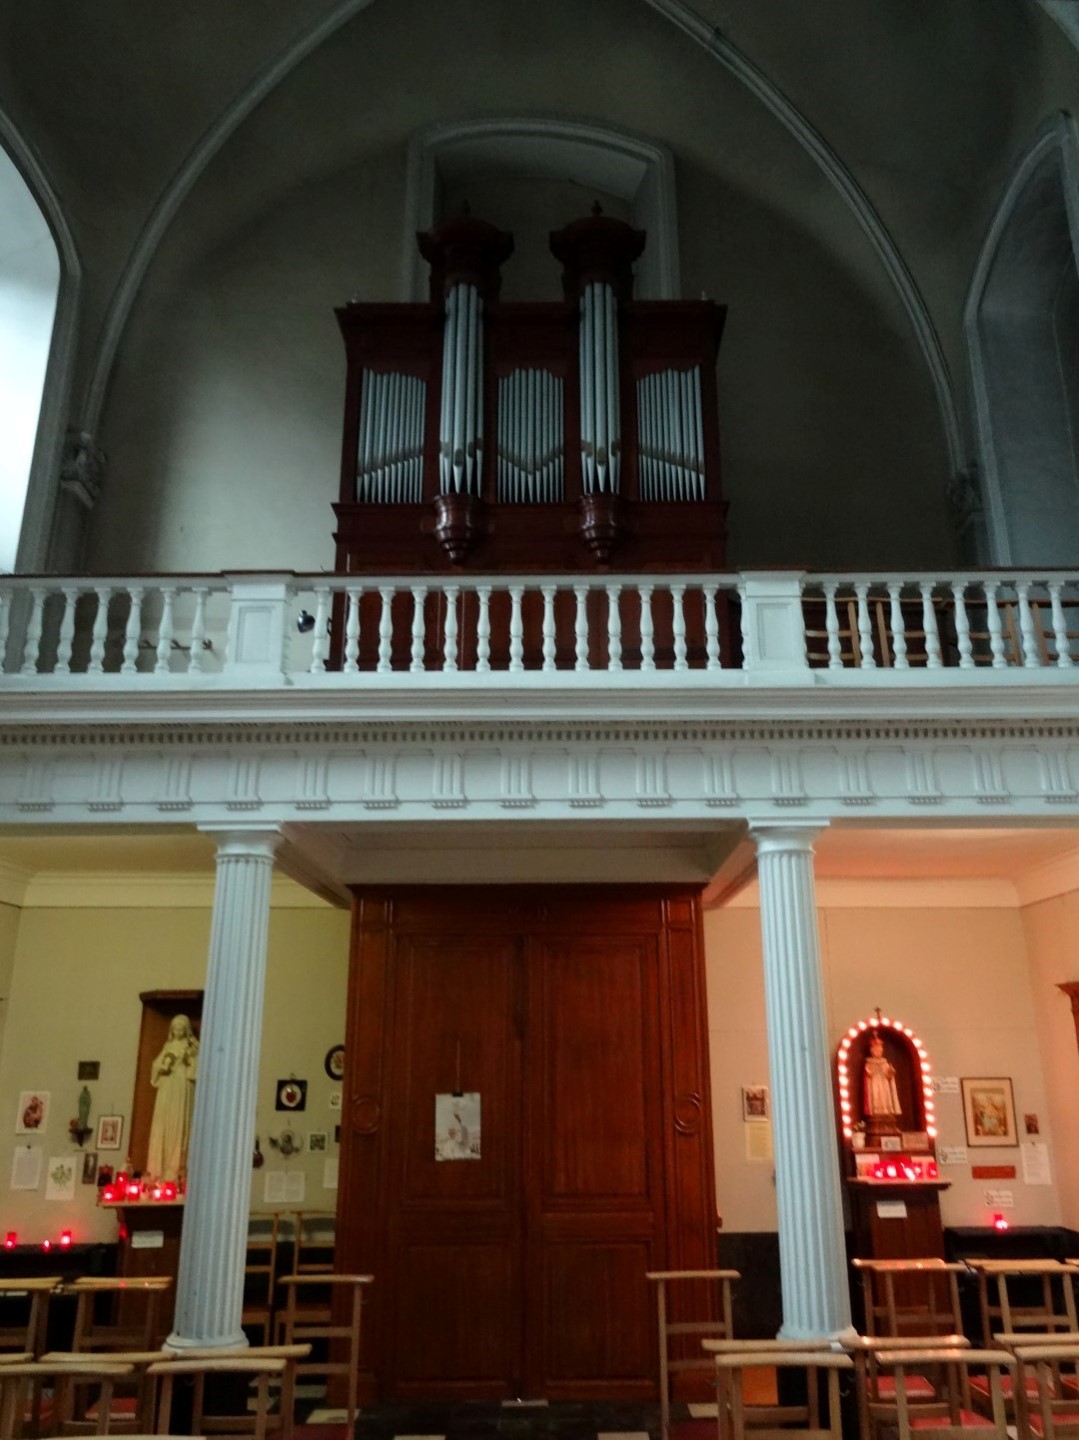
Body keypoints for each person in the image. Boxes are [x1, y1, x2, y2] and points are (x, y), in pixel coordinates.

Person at [147, 1015, 199, 1181]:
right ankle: (159, 1169)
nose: (177, 1031)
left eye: (181, 1028)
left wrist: (190, 1058)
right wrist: (161, 1067)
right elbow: (156, 1064)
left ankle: (176, 1169)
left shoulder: (192, 1045)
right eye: (175, 1027)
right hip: (167, 1086)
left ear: (186, 1029)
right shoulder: (168, 1045)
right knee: (163, 1123)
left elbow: (197, 1069)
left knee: (179, 1123)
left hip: (182, 1085)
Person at [862, 1033, 901, 1118]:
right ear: (872, 1051)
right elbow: (868, 1074)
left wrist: (891, 1072)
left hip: (884, 1084)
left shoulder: (885, 1062)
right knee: (876, 1096)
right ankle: (876, 1112)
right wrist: (874, 1070)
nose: (878, 1052)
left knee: (885, 1097)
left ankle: (887, 1111)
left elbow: (889, 1076)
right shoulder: (869, 1063)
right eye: (876, 1050)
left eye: (879, 1050)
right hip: (874, 1083)